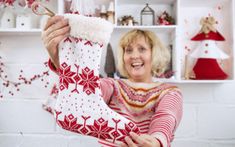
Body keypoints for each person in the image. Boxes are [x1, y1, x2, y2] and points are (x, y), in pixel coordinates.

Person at [42, 16, 183, 147]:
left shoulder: (169, 92)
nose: (134, 56)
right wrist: (63, 63)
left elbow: (167, 117)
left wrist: (157, 140)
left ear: (154, 53)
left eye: (142, 49)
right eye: (128, 50)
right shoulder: (112, 85)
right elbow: (86, 93)